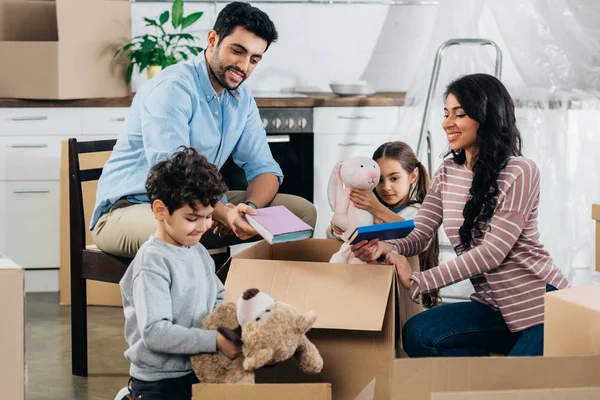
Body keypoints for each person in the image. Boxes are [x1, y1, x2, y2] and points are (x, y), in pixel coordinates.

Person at [351, 73, 570, 357]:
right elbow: (420, 234)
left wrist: (421, 280)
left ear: (486, 117)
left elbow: (492, 252)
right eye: (446, 114)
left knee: (520, 382)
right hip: (493, 309)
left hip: (540, 306)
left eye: (460, 114)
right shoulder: (447, 172)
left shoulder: (520, 171)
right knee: (418, 335)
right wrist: (387, 247)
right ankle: (486, 373)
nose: (447, 124)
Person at [90, 1, 316, 259]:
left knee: (301, 213)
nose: (243, 66)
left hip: (198, 204)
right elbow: (174, 176)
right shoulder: (173, 88)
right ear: (212, 39)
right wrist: (221, 212)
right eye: (237, 51)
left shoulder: (241, 99)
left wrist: (247, 210)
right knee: (183, 227)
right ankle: (214, 294)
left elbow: (264, 169)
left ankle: (257, 294)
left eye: (254, 59)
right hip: (133, 208)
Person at [118, 147, 241, 399]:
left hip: (197, 368)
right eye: (192, 218)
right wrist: (214, 341)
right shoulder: (152, 262)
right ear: (160, 210)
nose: (202, 227)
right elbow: (155, 333)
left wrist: (230, 327)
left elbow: (218, 296)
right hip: (160, 381)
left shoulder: (196, 250)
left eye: (207, 217)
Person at [330, 141, 440, 307]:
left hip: (405, 301)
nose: (386, 187)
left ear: (413, 175)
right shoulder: (368, 210)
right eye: (380, 180)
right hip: (364, 291)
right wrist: (337, 226)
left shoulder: (417, 211)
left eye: (394, 178)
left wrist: (376, 208)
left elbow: (415, 235)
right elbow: (335, 236)